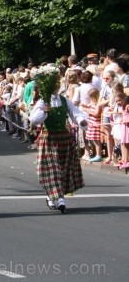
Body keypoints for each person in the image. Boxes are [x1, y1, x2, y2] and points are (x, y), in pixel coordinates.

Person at [29, 66, 87, 213]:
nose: (56, 86)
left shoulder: (64, 100)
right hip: (49, 138)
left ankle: (57, 196)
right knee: (52, 169)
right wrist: (44, 111)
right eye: (53, 84)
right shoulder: (43, 101)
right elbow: (34, 120)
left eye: (56, 83)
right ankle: (55, 196)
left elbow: (76, 112)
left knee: (64, 168)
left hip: (63, 138)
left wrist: (82, 121)